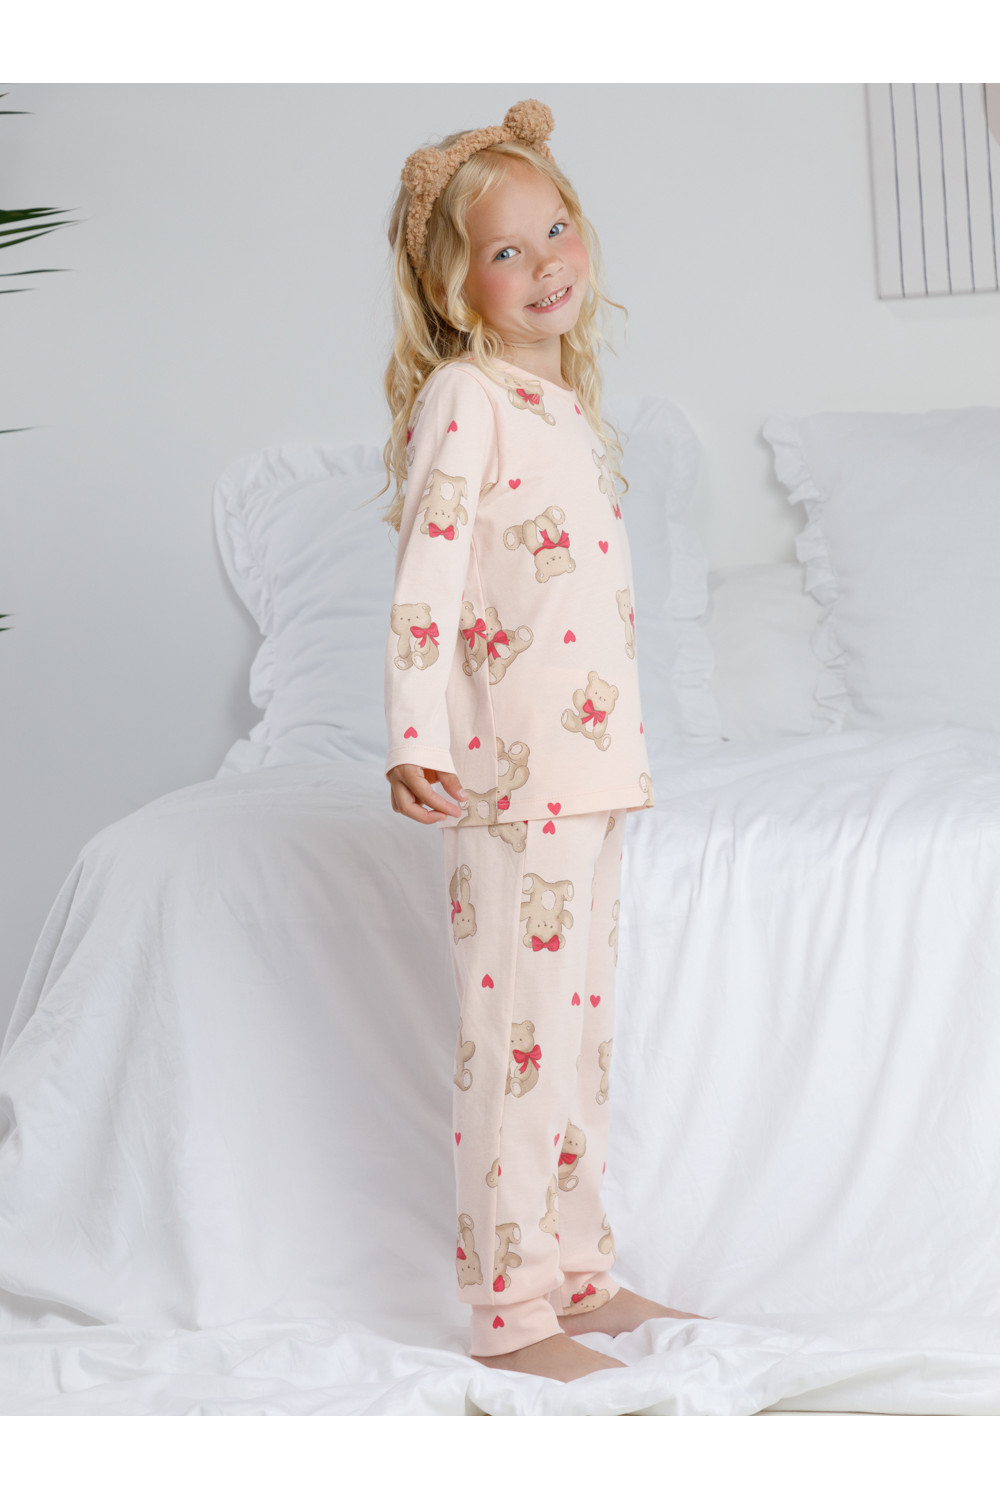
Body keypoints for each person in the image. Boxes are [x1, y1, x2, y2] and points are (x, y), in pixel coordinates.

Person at [373, 99, 711, 1384]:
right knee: (513, 1043)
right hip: (510, 781)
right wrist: (415, 735)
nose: (544, 263)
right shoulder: (466, 395)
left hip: (590, 772)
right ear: (453, 287)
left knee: (571, 1044)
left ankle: (577, 1271)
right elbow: (427, 578)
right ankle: (509, 1313)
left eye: (555, 229)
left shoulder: (557, 401)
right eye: (506, 251)